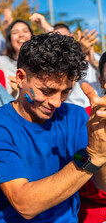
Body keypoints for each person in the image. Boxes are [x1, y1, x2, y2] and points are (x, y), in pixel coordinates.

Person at [0, 33, 106, 222]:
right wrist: (91, 158)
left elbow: (102, 182)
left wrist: (99, 151)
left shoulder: (76, 116)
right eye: (47, 91)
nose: (56, 102)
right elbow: (24, 204)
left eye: (65, 91)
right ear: (21, 78)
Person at [30, 13, 102, 107]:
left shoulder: (94, 56)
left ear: (72, 37)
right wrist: (78, 57)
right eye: (57, 39)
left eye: (66, 37)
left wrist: (94, 63)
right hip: (71, 112)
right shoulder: (51, 64)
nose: (62, 42)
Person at [78, 52, 106, 223]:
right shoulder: (82, 118)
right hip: (91, 212)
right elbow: (75, 157)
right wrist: (93, 155)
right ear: (102, 81)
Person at [0, 20, 33, 96]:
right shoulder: (1, 62)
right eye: (15, 32)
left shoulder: (41, 63)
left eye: (25, 31)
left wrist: (45, 26)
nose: (21, 35)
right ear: (10, 39)